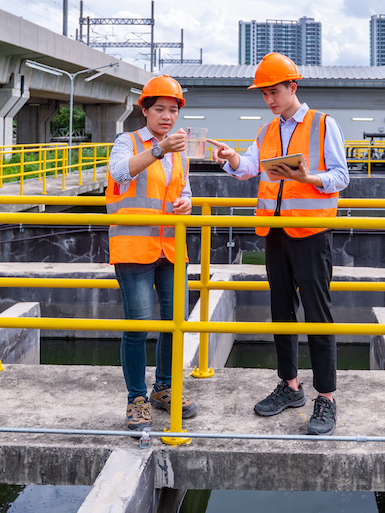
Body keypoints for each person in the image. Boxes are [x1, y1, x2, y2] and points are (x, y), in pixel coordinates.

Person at [208, 53, 349, 435]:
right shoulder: (268, 130)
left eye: (275, 91)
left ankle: (326, 397)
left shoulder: (323, 124)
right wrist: (231, 157)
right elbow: (249, 168)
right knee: (281, 311)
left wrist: (309, 178)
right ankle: (290, 386)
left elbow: (341, 176)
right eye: (264, 93)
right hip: (275, 232)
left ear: (293, 87)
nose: (269, 99)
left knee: (318, 315)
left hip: (312, 233)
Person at [107, 74, 197, 432]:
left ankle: (164, 389)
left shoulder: (179, 151)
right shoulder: (127, 142)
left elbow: (183, 190)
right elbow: (118, 173)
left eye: (173, 110)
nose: (167, 116)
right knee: (139, 325)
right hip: (134, 248)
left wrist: (186, 203)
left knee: (175, 323)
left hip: (170, 248)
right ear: (144, 110)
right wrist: (159, 149)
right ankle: (137, 399)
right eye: (160, 109)